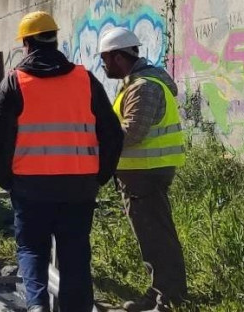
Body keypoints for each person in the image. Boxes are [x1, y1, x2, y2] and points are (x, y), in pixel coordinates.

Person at [0, 11, 124, 312]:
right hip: (79, 187)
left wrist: (6, 180)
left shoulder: (13, 83)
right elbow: (113, 134)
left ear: (26, 43)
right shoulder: (84, 79)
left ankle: (37, 306)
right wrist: (100, 175)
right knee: (75, 255)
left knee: (32, 250)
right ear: (55, 39)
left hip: (30, 187)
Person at [99, 27, 187, 311]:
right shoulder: (136, 83)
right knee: (151, 236)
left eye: (105, 58)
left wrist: (94, 140)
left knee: (157, 236)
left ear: (117, 57)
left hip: (145, 173)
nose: (103, 64)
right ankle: (160, 291)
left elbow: (131, 133)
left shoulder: (144, 87)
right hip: (141, 172)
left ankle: (169, 298)